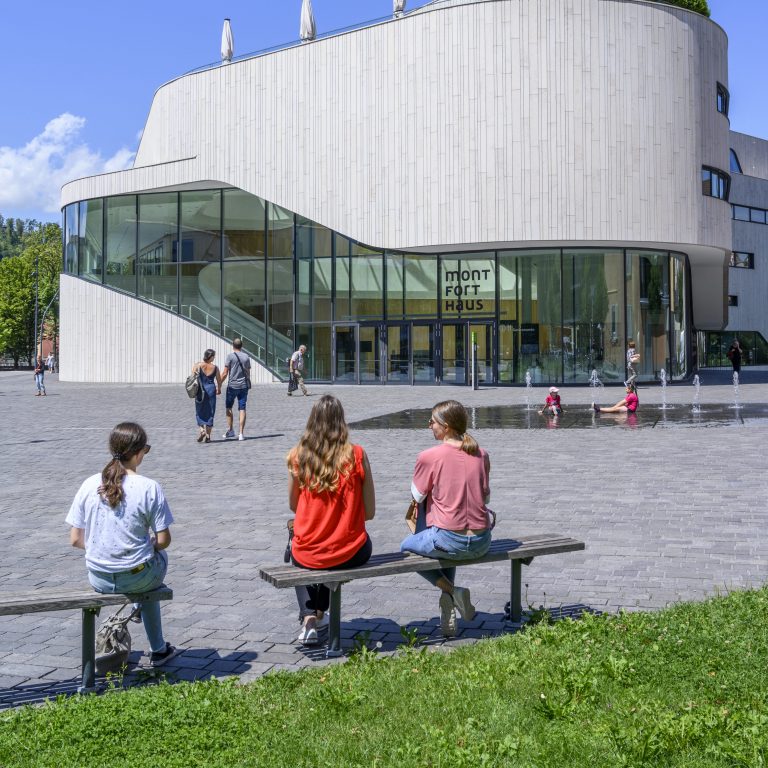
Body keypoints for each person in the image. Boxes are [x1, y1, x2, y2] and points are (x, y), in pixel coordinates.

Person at [65, 422, 181, 667]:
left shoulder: (89, 484)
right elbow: (164, 541)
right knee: (157, 558)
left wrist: (105, 546)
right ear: (138, 453)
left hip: (99, 578)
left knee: (144, 563)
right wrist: (146, 544)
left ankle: (155, 640)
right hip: (138, 576)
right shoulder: (149, 487)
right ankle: (158, 648)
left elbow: (75, 539)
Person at [286, 395, 375, 645]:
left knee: (297, 550)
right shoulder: (357, 455)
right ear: (341, 422)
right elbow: (369, 512)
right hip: (351, 551)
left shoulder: (298, 456)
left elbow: (294, 505)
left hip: (309, 552)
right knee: (337, 551)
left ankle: (309, 618)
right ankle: (318, 613)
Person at [400, 400, 492, 637]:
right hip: (482, 541)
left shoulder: (429, 456)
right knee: (440, 540)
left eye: (432, 422)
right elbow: (486, 498)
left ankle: (452, 591)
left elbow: (418, 495)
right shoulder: (482, 454)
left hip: (450, 540)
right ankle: (448, 603)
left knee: (406, 548)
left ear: (447, 426)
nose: (429, 426)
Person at [220, 338, 251, 441]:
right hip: (243, 386)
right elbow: (248, 372)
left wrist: (218, 384)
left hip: (232, 386)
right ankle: (241, 433)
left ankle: (231, 430)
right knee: (242, 408)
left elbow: (225, 373)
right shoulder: (246, 357)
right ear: (241, 346)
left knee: (229, 407)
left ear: (233, 346)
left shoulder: (230, 356)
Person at [192, 349, 222, 443]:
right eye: (214, 356)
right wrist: (219, 388)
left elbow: (192, 377)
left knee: (199, 410)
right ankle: (208, 436)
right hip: (211, 390)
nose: (214, 357)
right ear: (211, 357)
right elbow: (219, 380)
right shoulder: (215, 368)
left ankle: (202, 430)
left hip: (200, 390)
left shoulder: (198, 365)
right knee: (210, 411)